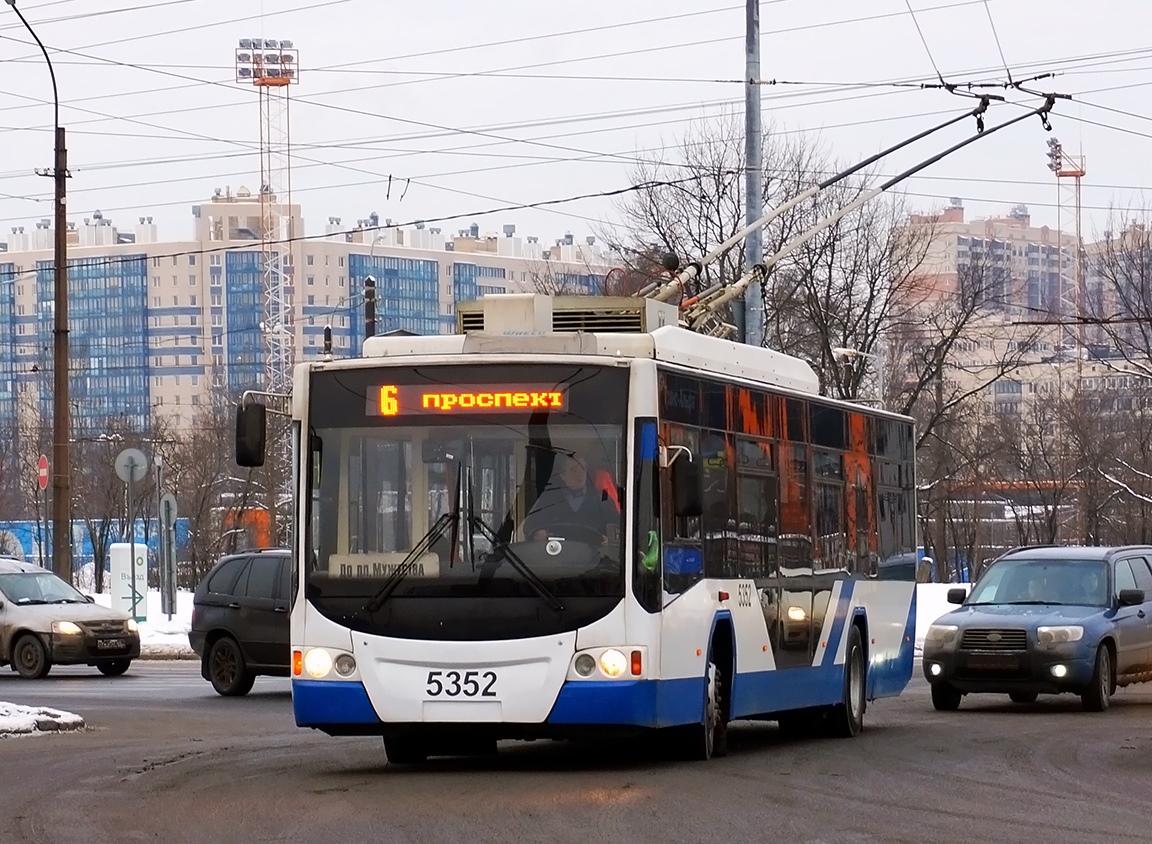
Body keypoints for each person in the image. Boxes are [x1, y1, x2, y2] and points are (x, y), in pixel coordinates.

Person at [523, 451, 618, 544]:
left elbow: (617, 527)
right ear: (562, 475)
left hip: (594, 556)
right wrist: (538, 532)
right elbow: (529, 526)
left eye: (583, 469)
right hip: (558, 555)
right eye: (574, 470)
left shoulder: (602, 498)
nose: (580, 474)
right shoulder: (548, 499)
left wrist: (608, 540)